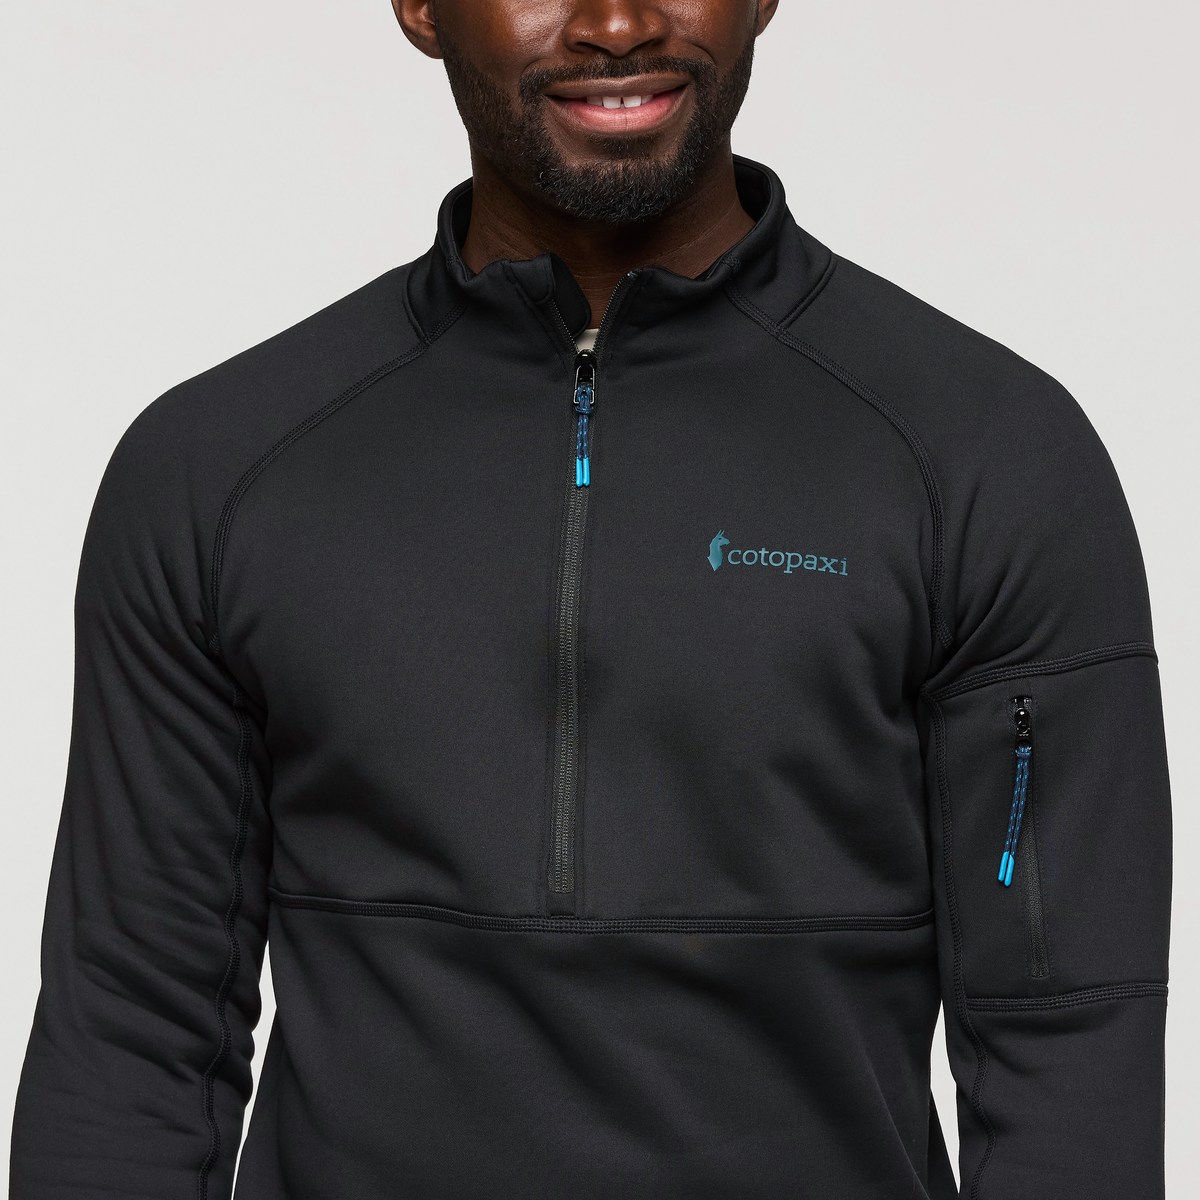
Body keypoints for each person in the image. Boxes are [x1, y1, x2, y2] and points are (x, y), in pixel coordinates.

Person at [10, 1, 1171, 1197]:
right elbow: (130, 1034)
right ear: (421, 8)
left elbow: (1069, 1044)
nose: (617, 24)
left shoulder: (986, 458)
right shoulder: (219, 471)